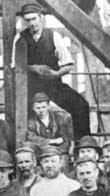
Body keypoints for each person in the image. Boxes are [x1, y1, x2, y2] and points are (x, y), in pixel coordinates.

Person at [14, 3, 90, 141]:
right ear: (24, 21)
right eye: (28, 20)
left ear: (40, 18)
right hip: (30, 88)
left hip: (53, 85)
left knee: (81, 105)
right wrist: (33, 68)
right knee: (20, 114)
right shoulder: (20, 38)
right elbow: (14, 67)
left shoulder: (53, 36)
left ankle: (83, 144)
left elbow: (68, 64)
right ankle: (27, 148)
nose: (31, 23)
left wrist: (56, 74)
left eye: (34, 19)